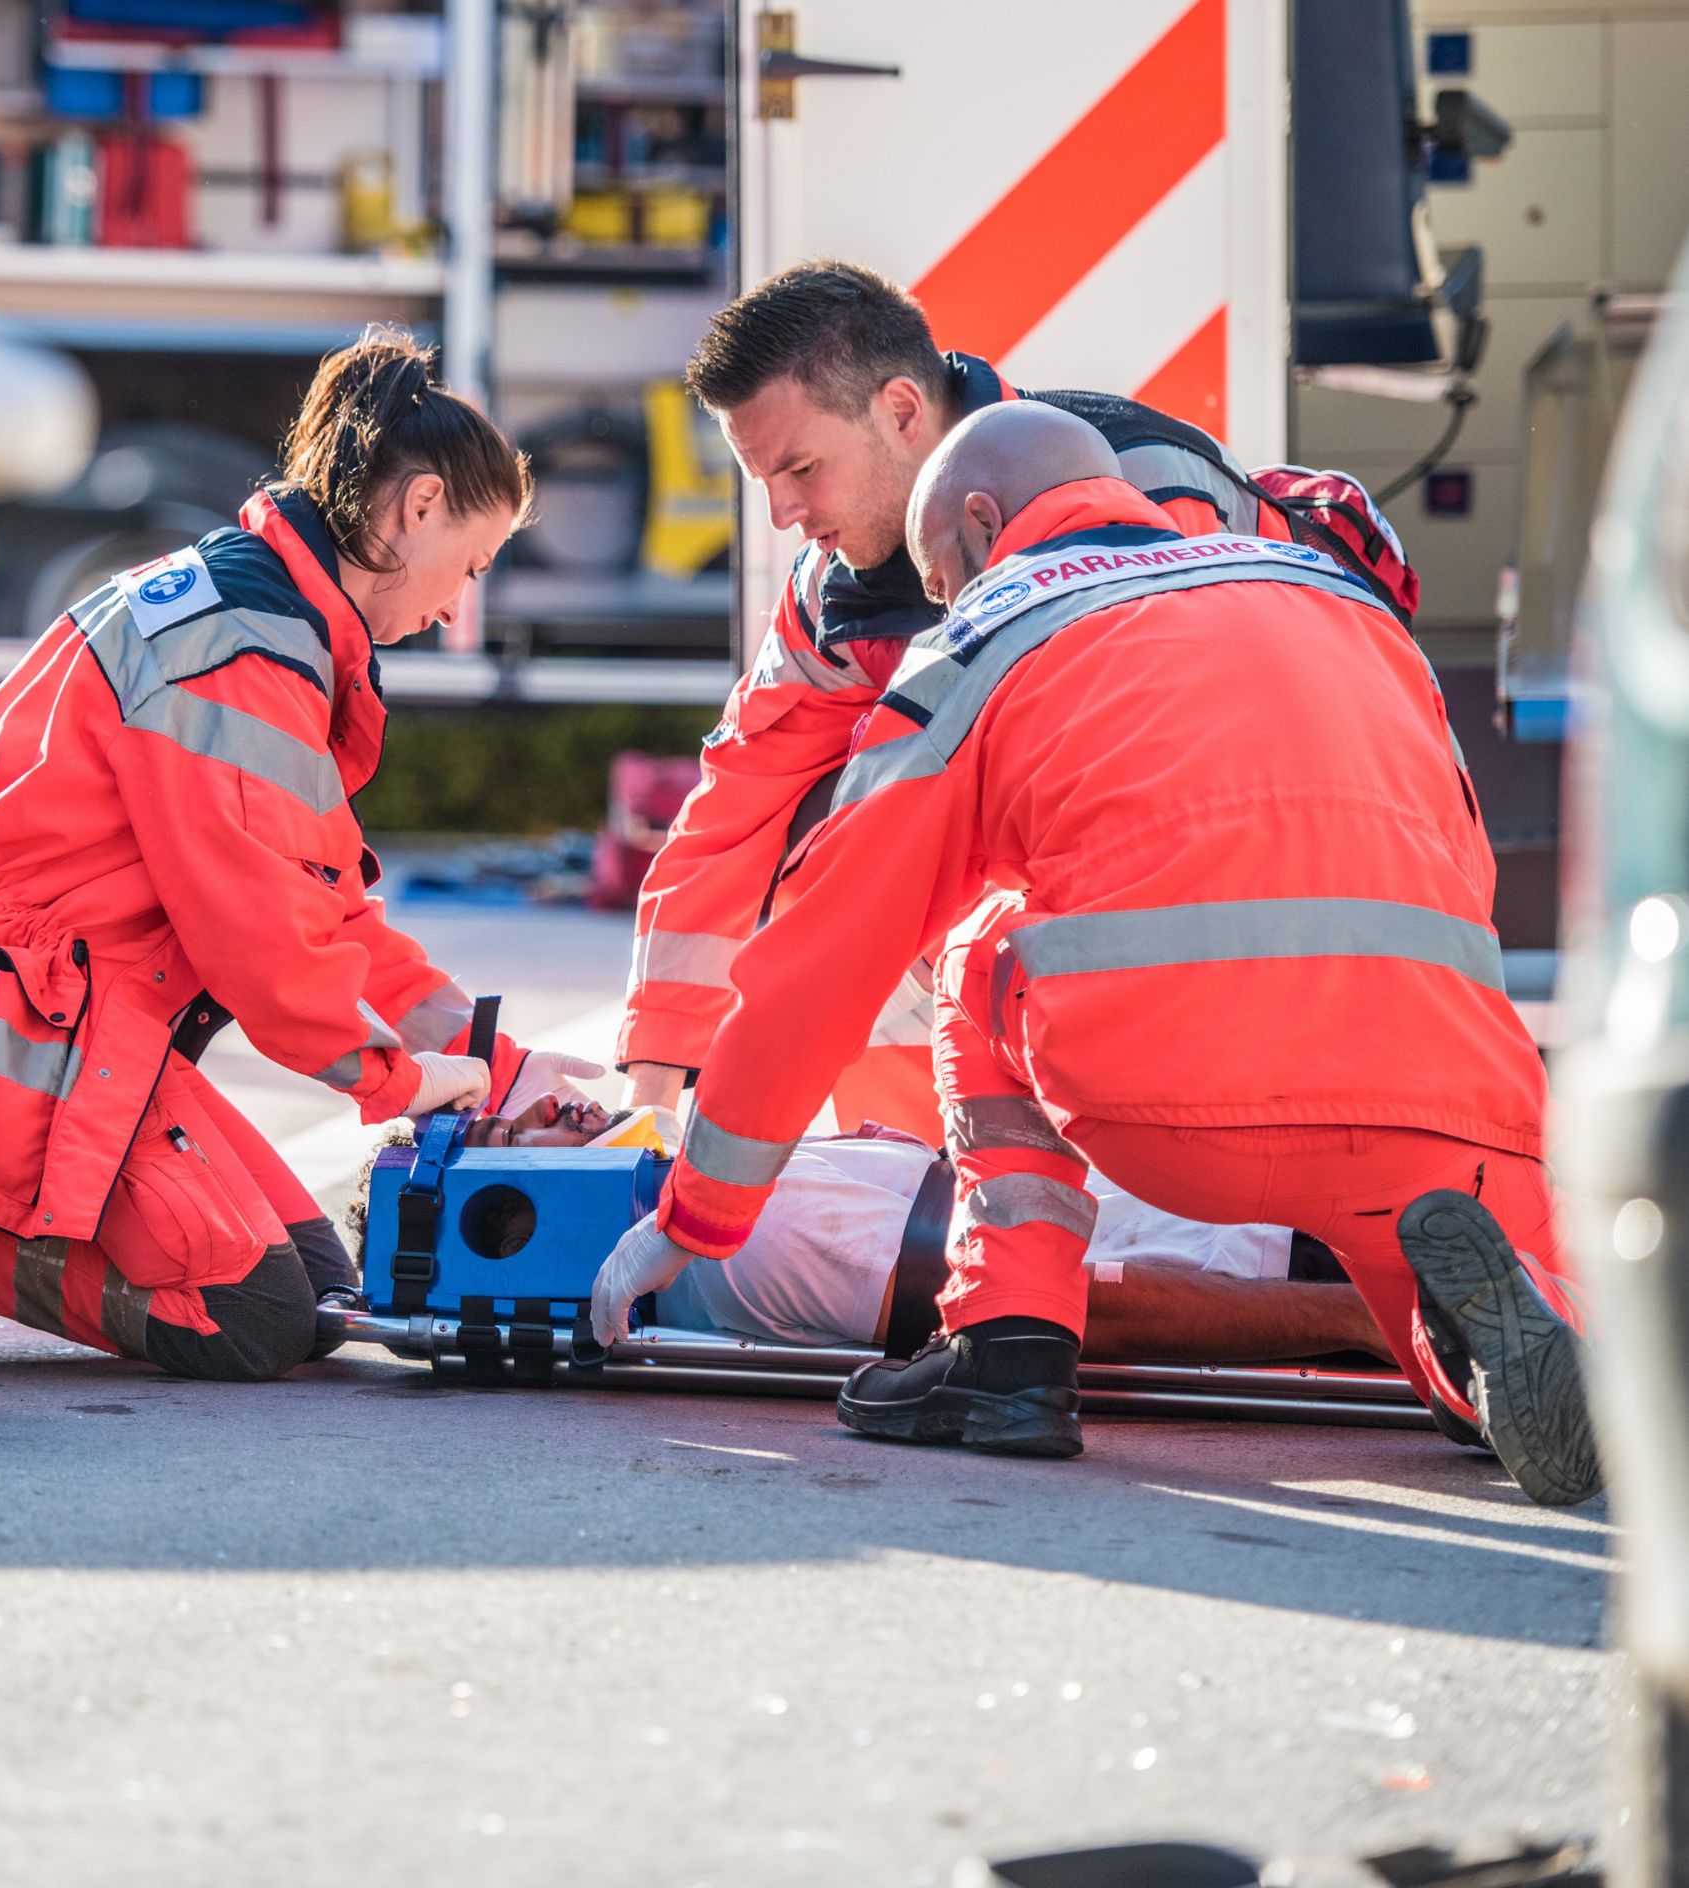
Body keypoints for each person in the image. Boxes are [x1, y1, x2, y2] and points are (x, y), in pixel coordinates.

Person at [592, 401, 1599, 1507]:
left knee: (980, 946)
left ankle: (1007, 1350)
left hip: (1175, 1110)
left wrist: (699, 1213)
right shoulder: (1337, 596)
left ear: (982, 525)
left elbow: (825, 951)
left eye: (942, 576)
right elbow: (1460, 865)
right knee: (1466, 1329)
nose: (945, 600)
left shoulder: (987, 633)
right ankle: (1502, 1366)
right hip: (1450, 1098)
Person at [0, 326, 600, 1384]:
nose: (455, 607)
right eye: (471, 567)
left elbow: (325, 914)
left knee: (323, 1297)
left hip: (47, 1020)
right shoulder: (243, 650)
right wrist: (401, 1080)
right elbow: (268, 948)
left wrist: (503, 1067)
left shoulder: (261, 618)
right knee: (256, 1319)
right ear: (420, 505)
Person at [620, 260, 1409, 1141]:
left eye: (801, 468)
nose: (781, 513)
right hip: (1128, 897)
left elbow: (1194, 791)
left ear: (902, 412)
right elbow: (735, 815)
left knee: (909, 865)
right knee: (829, 856)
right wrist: (649, 1102)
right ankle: (913, 1183)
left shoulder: (1144, 490)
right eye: (764, 479)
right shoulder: (831, 592)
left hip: (1265, 905)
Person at [352, 1102, 1383, 1366]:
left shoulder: (718, 1186)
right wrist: (1360, 1318)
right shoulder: (737, 1246)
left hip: (1245, 1199)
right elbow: (1059, 1305)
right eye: (513, 1137)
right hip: (1261, 1252)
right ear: (505, 1203)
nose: (551, 1106)